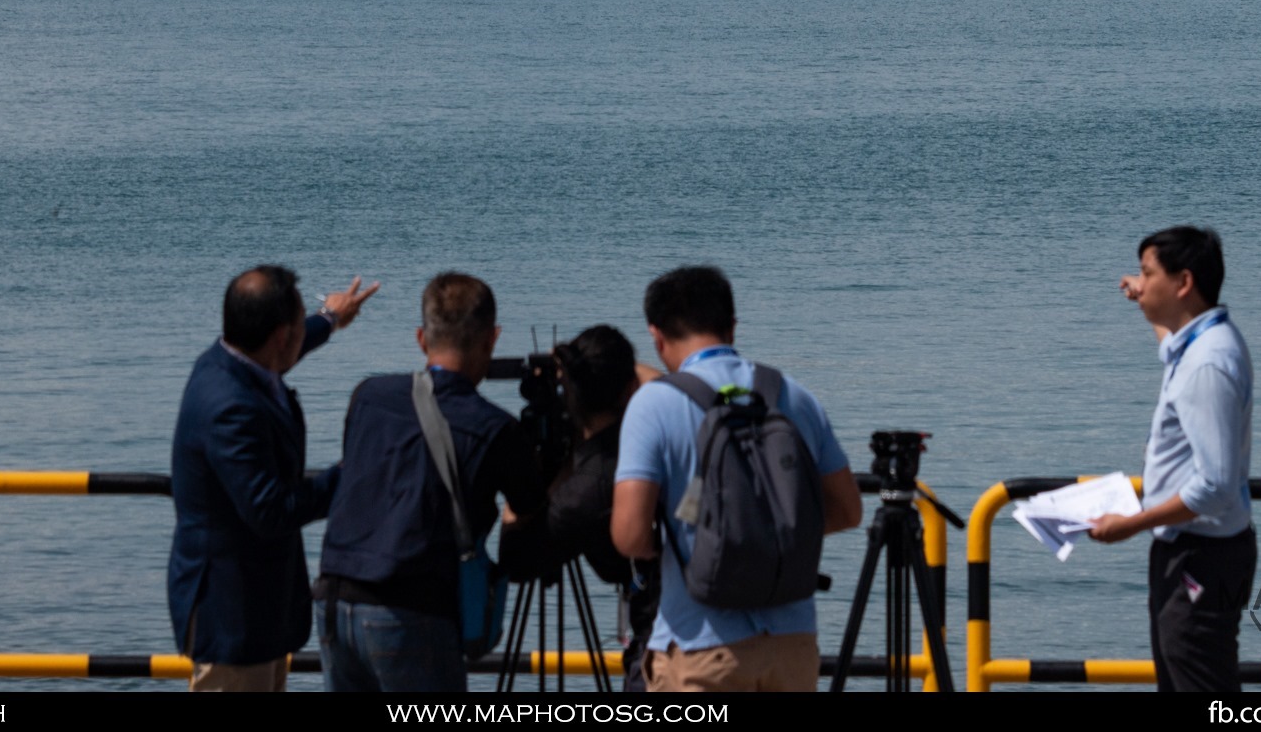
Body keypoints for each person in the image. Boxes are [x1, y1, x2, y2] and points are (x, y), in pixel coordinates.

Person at [611, 266, 865, 692]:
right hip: (792, 645)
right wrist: (767, 532)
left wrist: (700, 536)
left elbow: (630, 534)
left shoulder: (653, 403)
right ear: (732, 326)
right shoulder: (794, 396)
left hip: (701, 647)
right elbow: (847, 510)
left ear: (656, 336)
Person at [317, 272, 546, 691]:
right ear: (491, 339)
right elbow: (529, 510)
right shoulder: (494, 429)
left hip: (335, 601)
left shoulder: (368, 396)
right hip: (412, 612)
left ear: (421, 339)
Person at [167, 267, 378, 692]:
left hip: (253, 611)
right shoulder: (231, 407)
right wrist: (353, 473)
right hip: (231, 617)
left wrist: (331, 317)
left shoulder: (229, 362)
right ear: (281, 335)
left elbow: (284, 352)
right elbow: (270, 509)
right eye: (302, 323)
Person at [1089, 226, 1256, 692]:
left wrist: (1132, 524)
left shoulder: (1207, 363)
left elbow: (1216, 486)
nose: (1139, 283)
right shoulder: (1197, 342)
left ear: (1183, 283)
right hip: (1189, 551)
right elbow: (1170, 343)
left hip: (1202, 556)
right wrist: (1149, 307)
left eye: (1147, 273)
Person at [499, 325, 661, 690]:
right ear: (628, 388)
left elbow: (517, 560)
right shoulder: (661, 439)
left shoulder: (588, 489)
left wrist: (525, 484)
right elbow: (664, 384)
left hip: (664, 648)